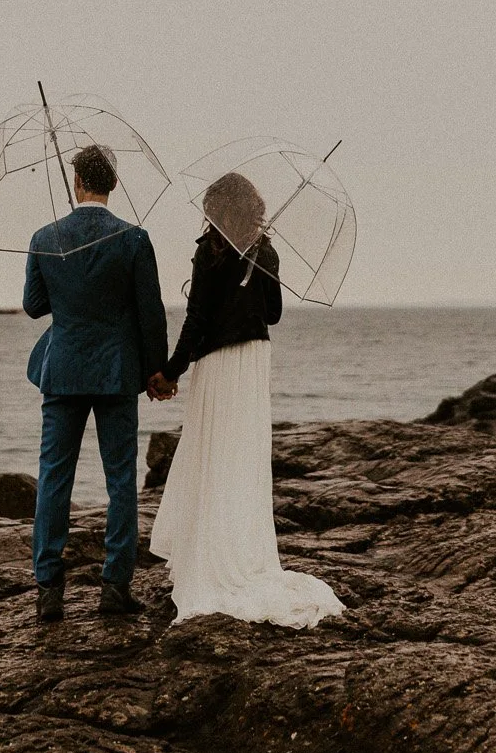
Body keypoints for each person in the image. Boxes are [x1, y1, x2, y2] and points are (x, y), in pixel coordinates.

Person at [147, 171, 343, 629]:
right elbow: (272, 313)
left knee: (213, 454)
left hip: (218, 362)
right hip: (253, 360)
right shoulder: (265, 251)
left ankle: (212, 557)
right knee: (241, 457)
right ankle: (242, 552)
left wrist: (170, 372)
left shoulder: (209, 251)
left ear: (217, 210)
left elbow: (196, 321)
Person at [23, 142, 169, 621]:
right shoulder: (134, 239)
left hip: (62, 370)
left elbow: (34, 305)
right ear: (112, 184)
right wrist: (158, 370)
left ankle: (48, 592)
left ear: (76, 183)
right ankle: (114, 587)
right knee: (121, 479)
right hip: (116, 371)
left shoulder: (46, 236)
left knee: (53, 479)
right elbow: (151, 313)